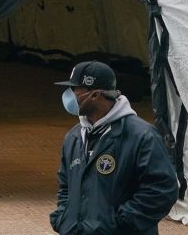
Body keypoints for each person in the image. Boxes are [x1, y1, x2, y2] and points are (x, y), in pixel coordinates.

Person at [50, 60, 177, 235]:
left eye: (74, 90)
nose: (68, 95)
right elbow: (65, 186)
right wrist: (64, 219)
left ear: (95, 95)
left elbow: (162, 190)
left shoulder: (142, 136)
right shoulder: (74, 137)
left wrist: (119, 224)